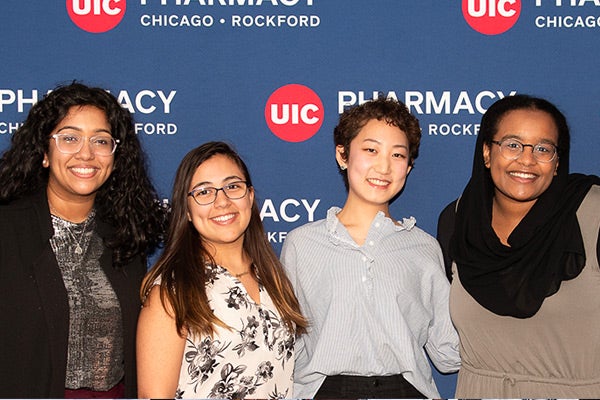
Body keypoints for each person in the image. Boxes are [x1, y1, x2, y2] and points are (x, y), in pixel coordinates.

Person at [280, 97, 460, 399]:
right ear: (343, 155)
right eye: (371, 150)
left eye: (398, 154)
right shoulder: (302, 243)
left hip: (406, 391)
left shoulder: (424, 247)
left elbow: (448, 352)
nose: (384, 166)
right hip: (324, 390)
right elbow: (288, 344)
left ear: (409, 166)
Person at [0, 82, 167, 398]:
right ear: (44, 153)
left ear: (115, 156)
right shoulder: (7, 229)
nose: (86, 153)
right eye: (70, 138)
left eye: (100, 141)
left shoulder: (125, 234)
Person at [437, 94, 600, 398]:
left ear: (557, 162)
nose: (527, 159)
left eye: (543, 148)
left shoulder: (594, 215)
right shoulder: (457, 220)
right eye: (512, 144)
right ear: (486, 152)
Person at [136, 141, 307, 399]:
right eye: (204, 192)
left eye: (233, 186)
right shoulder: (171, 293)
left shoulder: (273, 278)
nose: (222, 201)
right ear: (188, 211)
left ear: (250, 197)